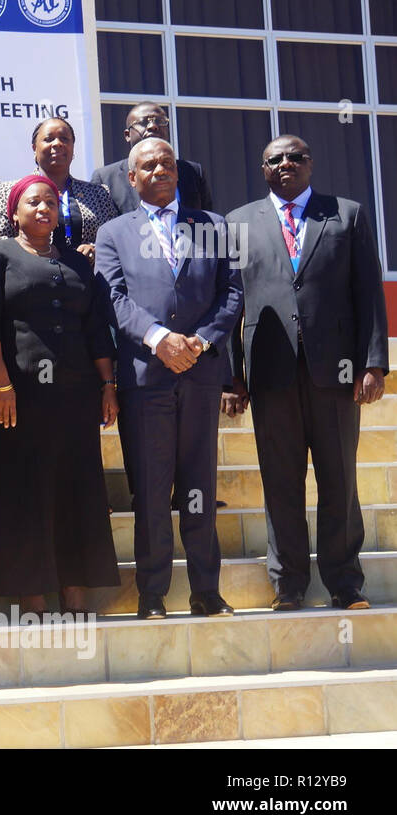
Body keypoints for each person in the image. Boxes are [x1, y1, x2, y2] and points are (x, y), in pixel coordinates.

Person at [223, 135, 388, 611]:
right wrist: (231, 377)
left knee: (339, 476)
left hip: (334, 372)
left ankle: (344, 582)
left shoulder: (347, 214)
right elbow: (230, 304)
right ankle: (289, 584)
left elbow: (367, 292)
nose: (286, 164)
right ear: (263, 170)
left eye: (296, 156)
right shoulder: (238, 222)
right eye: (275, 159)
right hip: (270, 371)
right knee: (280, 479)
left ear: (311, 164)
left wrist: (373, 363)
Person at [0, 174, 120, 614]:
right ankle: (28, 585)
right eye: (33, 201)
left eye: (50, 201)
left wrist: (108, 384)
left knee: (77, 485)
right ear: (14, 213)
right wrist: (1, 384)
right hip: (20, 395)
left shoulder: (77, 262)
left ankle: (74, 583)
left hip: (76, 394)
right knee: (23, 486)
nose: (44, 208)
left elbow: (96, 328)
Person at [96, 137, 243, 620]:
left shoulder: (214, 226)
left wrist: (199, 341)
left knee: (199, 485)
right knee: (153, 491)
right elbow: (113, 298)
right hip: (146, 379)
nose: (159, 169)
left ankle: (207, 591)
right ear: (131, 178)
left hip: (200, 376)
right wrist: (159, 338)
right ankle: (153, 593)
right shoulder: (114, 232)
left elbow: (232, 294)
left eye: (167, 162)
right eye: (147, 165)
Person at [0, 117, 119, 265]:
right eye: (48, 139)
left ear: (73, 148)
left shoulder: (98, 193)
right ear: (34, 148)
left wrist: (95, 249)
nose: (57, 144)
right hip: (30, 279)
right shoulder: (8, 191)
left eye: (64, 139)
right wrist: (32, 249)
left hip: (88, 282)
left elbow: (116, 239)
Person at [91, 102, 213, 215]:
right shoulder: (105, 179)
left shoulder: (192, 171)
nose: (153, 126)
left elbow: (206, 221)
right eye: (143, 122)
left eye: (160, 121)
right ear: (127, 135)